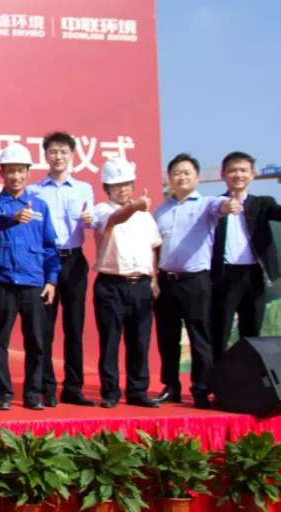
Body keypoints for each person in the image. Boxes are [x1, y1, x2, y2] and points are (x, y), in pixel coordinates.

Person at [153, 153, 235, 409]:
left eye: (187, 172)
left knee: (199, 338)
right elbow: (155, 247)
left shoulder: (206, 204)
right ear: (169, 178)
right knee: (167, 337)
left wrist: (229, 205)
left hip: (195, 281)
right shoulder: (161, 210)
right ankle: (171, 387)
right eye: (176, 173)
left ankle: (201, 389)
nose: (181, 177)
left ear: (197, 177)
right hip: (166, 280)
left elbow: (221, 206)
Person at [0, 142, 59, 411]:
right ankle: (3, 393)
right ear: (1, 173)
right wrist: (13, 216)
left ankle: (33, 393)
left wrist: (51, 280)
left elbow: (50, 247)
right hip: (2, 280)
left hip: (33, 282)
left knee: (36, 341)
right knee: (0, 340)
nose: (16, 176)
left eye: (21, 170)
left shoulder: (40, 206)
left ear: (28, 173)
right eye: (11, 171)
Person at [210, 151, 281, 359]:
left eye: (243, 170)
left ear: (252, 174)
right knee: (219, 333)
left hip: (253, 275)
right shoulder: (214, 205)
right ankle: (218, 376)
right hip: (224, 275)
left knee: (251, 334)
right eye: (233, 170)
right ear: (223, 174)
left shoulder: (262, 203)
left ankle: (250, 377)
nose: (238, 175)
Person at [28, 131, 95, 407]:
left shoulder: (83, 189)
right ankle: (46, 388)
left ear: (72, 155)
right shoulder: (34, 190)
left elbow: (91, 221)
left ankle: (73, 388)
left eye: (63, 152)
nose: (58, 157)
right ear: (45, 155)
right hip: (45, 261)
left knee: (74, 327)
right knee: (44, 328)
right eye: (53, 152)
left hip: (74, 260)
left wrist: (90, 219)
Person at [90, 159, 161, 409]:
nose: (123, 189)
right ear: (107, 188)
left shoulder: (146, 216)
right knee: (110, 342)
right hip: (111, 284)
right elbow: (114, 219)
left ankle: (137, 390)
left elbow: (153, 247)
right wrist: (135, 207)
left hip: (140, 284)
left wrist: (154, 279)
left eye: (127, 184)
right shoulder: (101, 210)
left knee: (139, 341)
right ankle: (110, 392)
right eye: (117, 185)